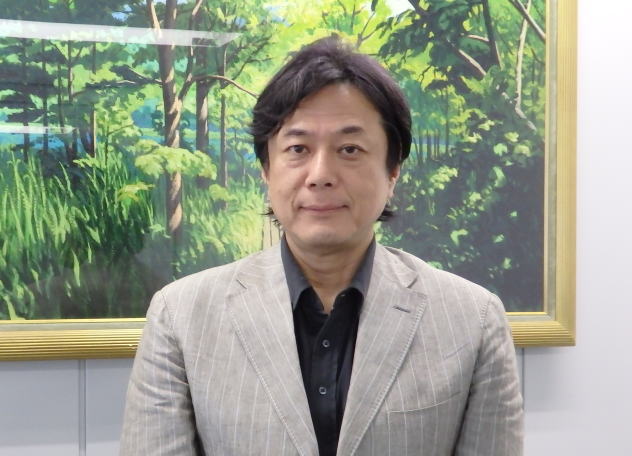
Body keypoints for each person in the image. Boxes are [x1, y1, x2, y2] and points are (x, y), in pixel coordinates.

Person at [120, 36, 523, 456]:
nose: (320, 174)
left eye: (350, 149)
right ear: (266, 170)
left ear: (392, 172)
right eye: (297, 148)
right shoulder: (181, 317)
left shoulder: (473, 320)